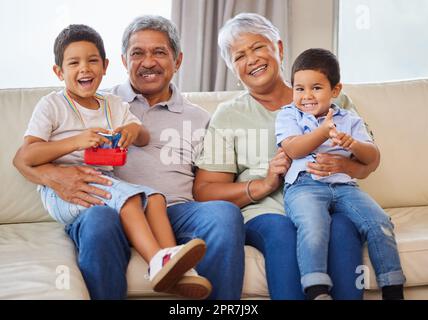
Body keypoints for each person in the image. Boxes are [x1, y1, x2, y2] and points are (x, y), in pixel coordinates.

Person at [13, 16, 245, 300]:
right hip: (106, 209)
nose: (148, 62)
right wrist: (55, 177)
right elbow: (25, 157)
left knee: (224, 213)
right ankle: (158, 260)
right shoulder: (99, 99)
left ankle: (182, 273)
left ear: (178, 60)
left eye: (159, 52)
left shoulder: (200, 117)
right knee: (100, 220)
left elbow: (209, 182)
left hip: (175, 210)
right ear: (123, 61)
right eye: (138, 53)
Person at [193, 13, 379, 300]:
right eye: (239, 55)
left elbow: (369, 163)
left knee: (343, 228)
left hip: (331, 202)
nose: (251, 59)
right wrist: (264, 184)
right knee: (282, 232)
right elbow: (205, 190)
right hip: (267, 213)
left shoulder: (332, 99)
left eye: (257, 47)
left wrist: (346, 165)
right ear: (233, 68)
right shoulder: (228, 115)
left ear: (279, 49)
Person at [276, 48, 405, 300]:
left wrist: (353, 145)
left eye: (316, 87)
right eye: (299, 89)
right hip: (305, 186)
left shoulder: (349, 119)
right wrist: (323, 132)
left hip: (345, 187)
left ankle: (392, 288)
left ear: (335, 90)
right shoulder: (288, 114)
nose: (307, 96)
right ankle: (317, 290)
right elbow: (292, 148)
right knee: (314, 224)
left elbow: (372, 157)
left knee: (380, 223)